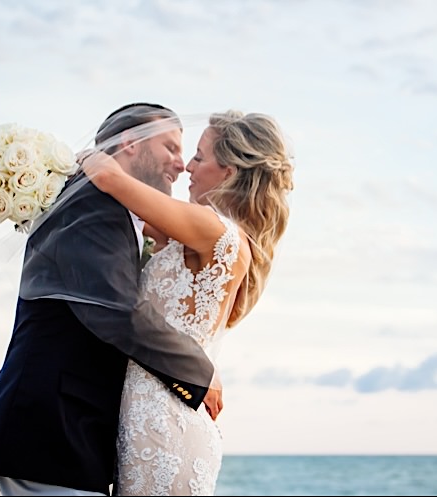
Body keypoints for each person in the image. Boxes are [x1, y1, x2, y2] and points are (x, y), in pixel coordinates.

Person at [0, 103, 216, 497]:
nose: (181, 164)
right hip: (51, 424)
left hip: (68, 427)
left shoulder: (103, 203)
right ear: (130, 143)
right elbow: (116, 312)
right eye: (170, 147)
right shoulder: (93, 205)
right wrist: (200, 374)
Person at [80, 110, 294, 495]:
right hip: (149, 417)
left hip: (166, 426)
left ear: (228, 171)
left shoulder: (213, 229)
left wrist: (62, 160)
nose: (187, 167)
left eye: (199, 156)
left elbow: (109, 178)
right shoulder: (191, 233)